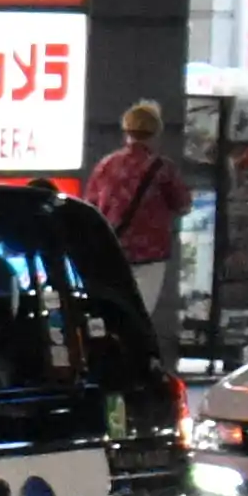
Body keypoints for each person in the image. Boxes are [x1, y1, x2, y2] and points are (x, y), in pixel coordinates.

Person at [79, 99, 193, 330]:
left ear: (126, 131)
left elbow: (89, 205)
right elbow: (183, 204)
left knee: (110, 316)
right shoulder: (163, 169)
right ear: (156, 133)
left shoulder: (106, 165)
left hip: (111, 252)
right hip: (150, 255)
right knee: (138, 318)